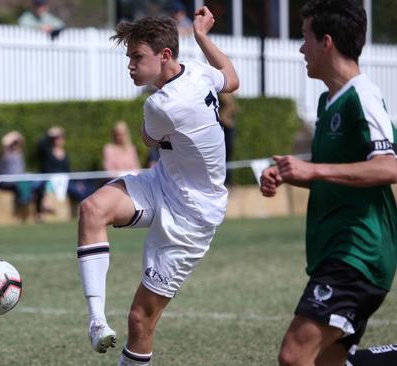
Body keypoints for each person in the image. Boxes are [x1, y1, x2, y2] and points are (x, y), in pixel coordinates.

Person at [76, 8, 239, 364]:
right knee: (92, 209)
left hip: (193, 216)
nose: (130, 66)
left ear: (164, 55)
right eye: (129, 58)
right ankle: (96, 321)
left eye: (137, 57)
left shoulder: (161, 105)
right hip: (165, 183)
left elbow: (148, 140)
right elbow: (231, 78)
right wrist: (202, 38)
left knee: (140, 321)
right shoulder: (196, 71)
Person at [258, 1, 397, 366]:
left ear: (327, 42)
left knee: (294, 356)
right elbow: (340, 174)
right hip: (337, 252)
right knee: (325, 362)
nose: (301, 48)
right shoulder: (328, 102)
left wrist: (314, 172)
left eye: (305, 37)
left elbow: (388, 167)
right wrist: (294, 175)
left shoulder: (362, 96)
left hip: (357, 253)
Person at [34, 126, 93, 221]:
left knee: (82, 190)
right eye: (56, 138)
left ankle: (88, 211)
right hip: (50, 179)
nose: (59, 140)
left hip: (65, 181)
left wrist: (77, 182)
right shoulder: (47, 151)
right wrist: (49, 133)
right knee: (42, 188)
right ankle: (42, 210)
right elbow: (41, 145)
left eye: (60, 137)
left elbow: (68, 171)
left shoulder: (65, 153)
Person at [0, 130, 35, 221]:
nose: (16, 145)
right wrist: (9, 138)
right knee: (22, 184)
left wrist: (16, 134)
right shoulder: (5, 154)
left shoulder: (19, 154)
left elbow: (22, 140)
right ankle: (24, 203)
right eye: (13, 143)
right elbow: (4, 143)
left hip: (21, 179)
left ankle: (35, 207)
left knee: (38, 184)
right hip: (9, 181)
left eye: (16, 143)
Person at [218, 92, 237, 184]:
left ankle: (228, 180)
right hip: (224, 125)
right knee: (223, 155)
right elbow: (227, 104)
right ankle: (225, 181)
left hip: (229, 125)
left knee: (228, 155)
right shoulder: (221, 90)